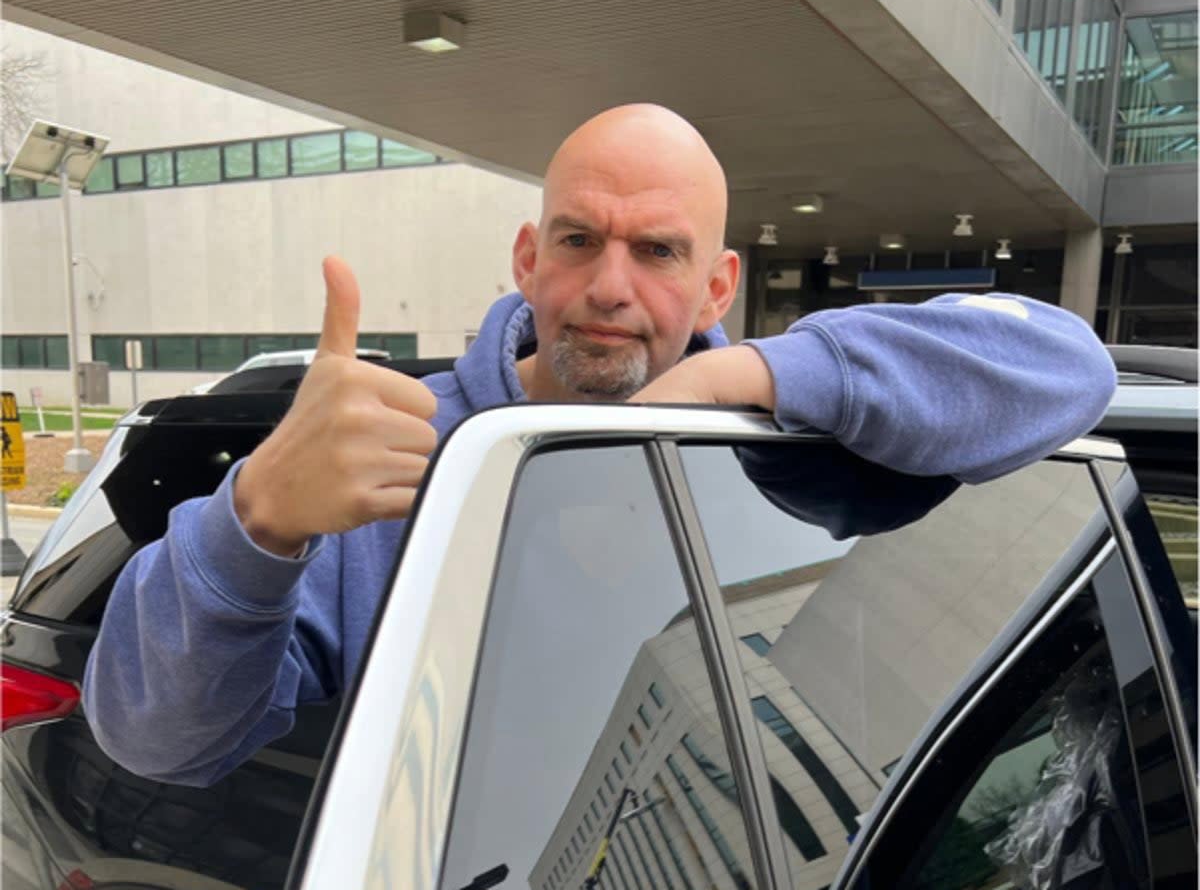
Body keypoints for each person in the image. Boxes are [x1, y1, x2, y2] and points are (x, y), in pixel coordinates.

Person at [82, 104, 1117, 786]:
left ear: (718, 286)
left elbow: (1070, 369)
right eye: (579, 239)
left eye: (659, 250)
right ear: (531, 260)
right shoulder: (401, 462)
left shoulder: (793, 432)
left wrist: (734, 379)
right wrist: (257, 518)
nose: (612, 285)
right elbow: (155, 739)